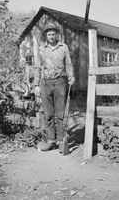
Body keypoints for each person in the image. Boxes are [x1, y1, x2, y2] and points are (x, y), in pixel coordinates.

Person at [34, 22, 75, 153]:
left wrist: (71, 76)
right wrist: (36, 85)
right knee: (48, 114)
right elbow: (37, 67)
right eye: (49, 34)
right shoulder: (41, 49)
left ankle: (62, 141)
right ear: (46, 35)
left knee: (60, 114)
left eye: (53, 34)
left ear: (57, 35)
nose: (51, 36)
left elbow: (68, 63)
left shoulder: (63, 47)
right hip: (45, 83)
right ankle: (51, 141)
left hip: (60, 82)